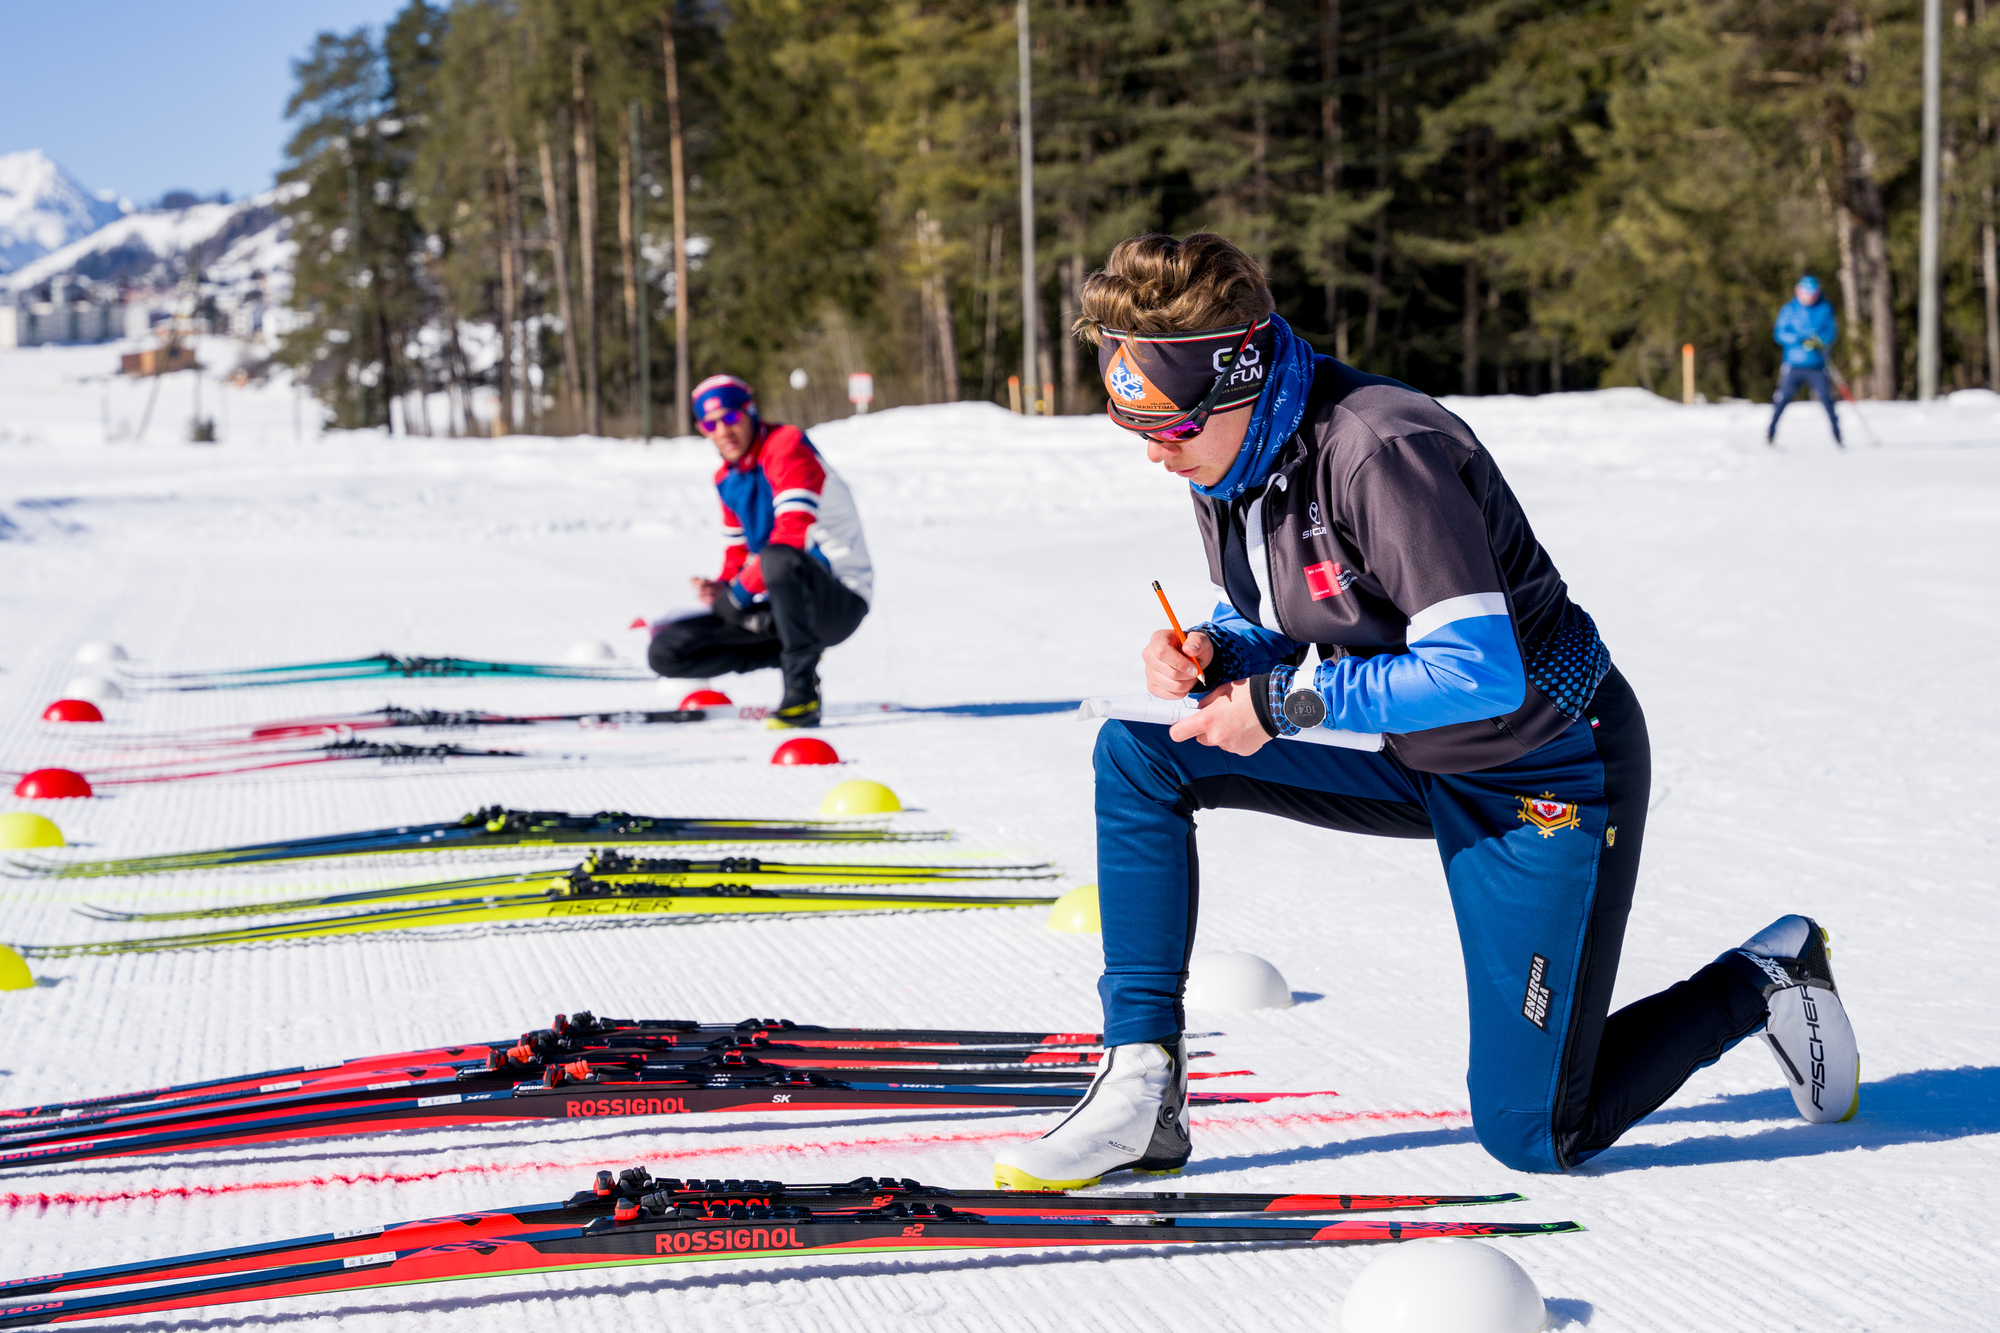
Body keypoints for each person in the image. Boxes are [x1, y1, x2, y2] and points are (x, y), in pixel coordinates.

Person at [992, 233, 1860, 1189]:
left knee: (1537, 1133)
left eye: (1172, 430)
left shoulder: (1380, 450)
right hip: (1416, 749)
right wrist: (1218, 653)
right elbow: (1285, 617)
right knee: (1142, 751)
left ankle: (1767, 976)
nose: (1157, 455)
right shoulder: (1229, 461)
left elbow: (1478, 674)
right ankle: (1141, 1088)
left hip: (1545, 766)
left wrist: (1278, 704)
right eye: (1137, 431)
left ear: (1237, 382)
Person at [648, 375, 873, 728]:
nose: (723, 431)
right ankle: (794, 653)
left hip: (837, 602)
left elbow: (792, 534)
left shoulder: (787, 446)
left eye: (731, 417)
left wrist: (737, 595)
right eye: (711, 424)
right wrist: (721, 588)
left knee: (777, 558)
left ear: (749, 411)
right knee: (666, 651)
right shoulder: (727, 478)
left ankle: (801, 695)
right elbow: (738, 554)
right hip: (781, 608)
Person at [1769, 276, 1844, 447]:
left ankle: (1838, 436)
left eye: (1813, 292)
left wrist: (1820, 341)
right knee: (1783, 399)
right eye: (1806, 292)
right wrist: (1798, 339)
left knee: (1827, 400)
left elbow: (1831, 332)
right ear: (1798, 291)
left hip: (1818, 364)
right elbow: (1779, 333)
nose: (1810, 296)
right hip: (1793, 364)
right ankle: (1770, 433)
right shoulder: (1789, 309)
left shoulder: (1825, 308)